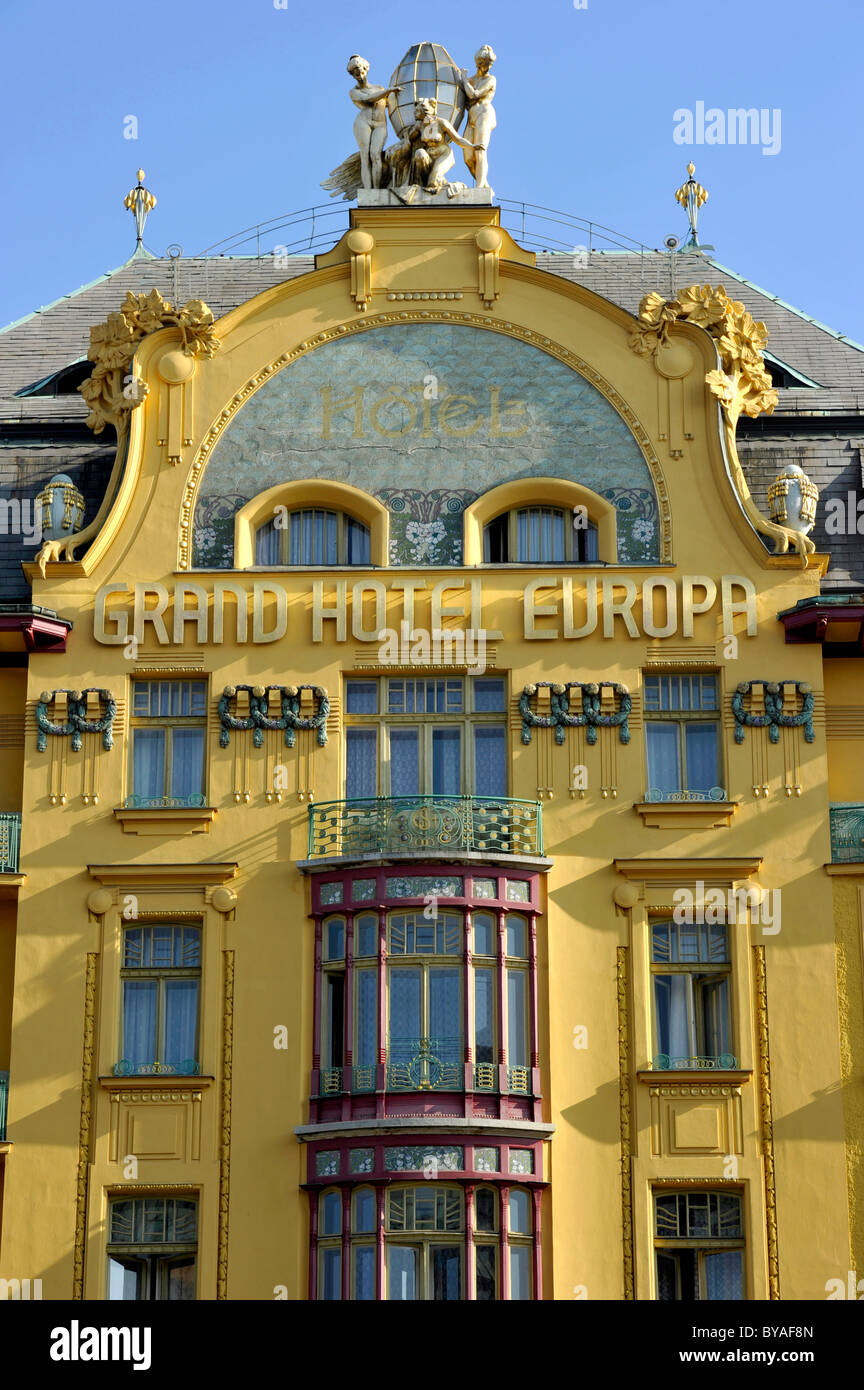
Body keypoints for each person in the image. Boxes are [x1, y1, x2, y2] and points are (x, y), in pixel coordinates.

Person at [389, 99, 483, 194]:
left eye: (417, 111)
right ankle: (425, 183)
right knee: (419, 153)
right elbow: (408, 139)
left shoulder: (441, 123)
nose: (414, 113)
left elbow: (458, 139)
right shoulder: (419, 125)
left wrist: (472, 146)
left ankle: (438, 181)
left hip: (443, 155)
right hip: (429, 157)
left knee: (433, 183)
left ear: (424, 111)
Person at [347, 55, 402, 189]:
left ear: (366, 69)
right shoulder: (353, 92)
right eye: (355, 73)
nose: (359, 75)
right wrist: (388, 91)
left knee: (375, 155)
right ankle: (368, 191)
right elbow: (369, 99)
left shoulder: (379, 88)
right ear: (352, 75)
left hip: (380, 124)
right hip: (363, 123)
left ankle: (376, 190)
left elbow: (394, 104)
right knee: (365, 156)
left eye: (360, 71)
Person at [460, 46, 497, 188]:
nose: (488, 66)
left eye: (490, 63)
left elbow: (474, 95)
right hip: (471, 118)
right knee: (468, 157)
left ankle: (479, 187)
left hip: (484, 113)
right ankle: (485, 185)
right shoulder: (470, 80)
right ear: (478, 63)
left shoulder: (491, 79)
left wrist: (463, 80)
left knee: (480, 150)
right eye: (486, 63)